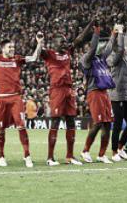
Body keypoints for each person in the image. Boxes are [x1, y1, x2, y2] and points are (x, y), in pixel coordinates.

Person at [0, 34, 44, 168]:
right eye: (9, 47)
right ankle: (1, 156)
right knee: (0, 129)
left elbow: (34, 58)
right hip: (1, 98)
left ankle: (27, 156)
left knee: (21, 126)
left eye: (13, 47)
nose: (12, 49)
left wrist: (39, 43)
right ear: (2, 48)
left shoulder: (17, 59)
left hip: (16, 97)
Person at [40, 18, 94, 166]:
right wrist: (39, 41)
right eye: (62, 42)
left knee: (71, 121)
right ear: (55, 44)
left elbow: (80, 38)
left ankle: (69, 156)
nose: (65, 44)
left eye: (65, 42)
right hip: (57, 90)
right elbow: (39, 51)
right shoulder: (49, 54)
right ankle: (50, 158)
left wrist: (91, 23)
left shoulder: (68, 52)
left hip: (69, 91)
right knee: (56, 121)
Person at [80, 24, 115, 164]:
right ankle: (85, 151)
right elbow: (94, 48)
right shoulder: (85, 60)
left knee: (107, 124)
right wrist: (96, 33)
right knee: (98, 122)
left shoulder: (101, 59)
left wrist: (115, 33)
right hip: (94, 92)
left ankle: (101, 154)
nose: (99, 46)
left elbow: (109, 47)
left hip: (104, 92)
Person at [107, 22, 127, 162]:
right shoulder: (114, 56)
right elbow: (122, 48)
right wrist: (121, 33)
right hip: (116, 95)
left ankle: (120, 147)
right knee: (117, 124)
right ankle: (113, 152)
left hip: (126, 95)